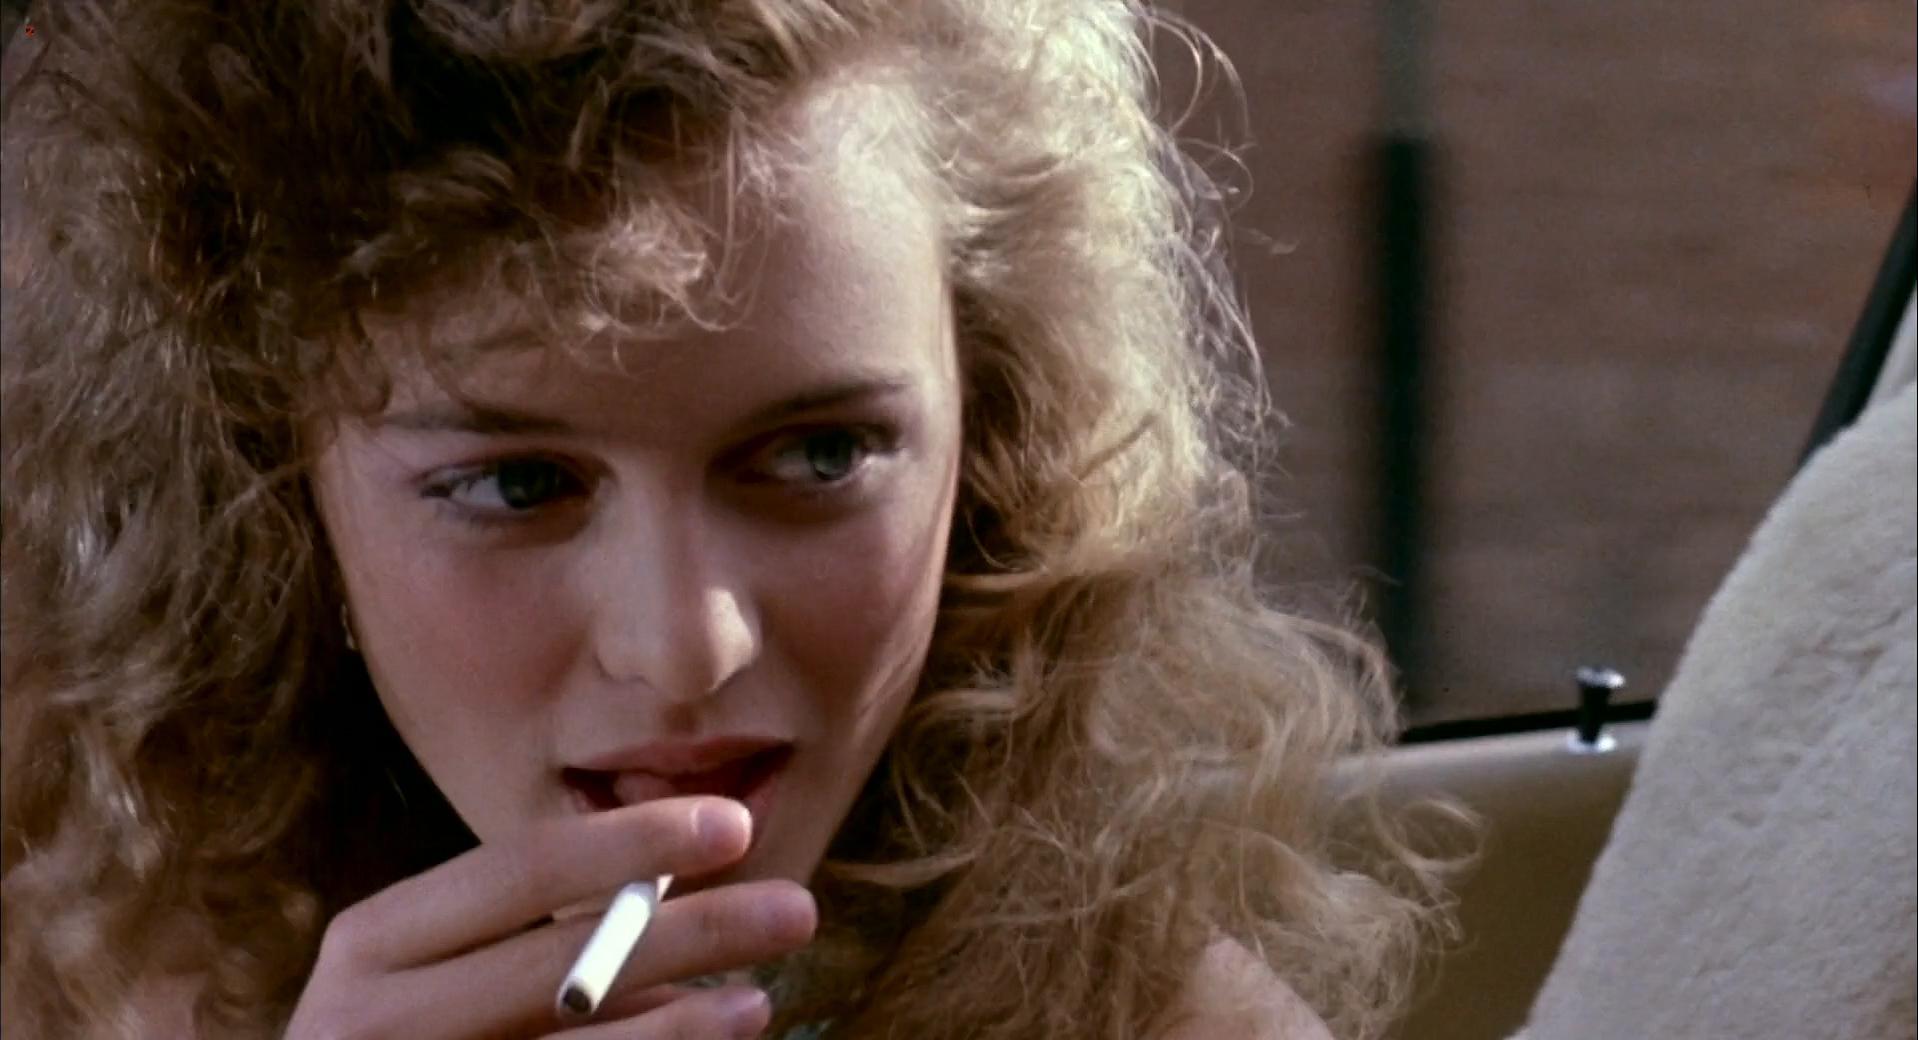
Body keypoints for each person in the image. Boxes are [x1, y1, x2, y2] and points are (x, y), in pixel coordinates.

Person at [0, 1, 1456, 1037]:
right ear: (269, 492)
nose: (685, 646)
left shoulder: (1152, 1017)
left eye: (819, 455)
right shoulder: (84, 971)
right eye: (518, 486)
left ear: (996, 446)